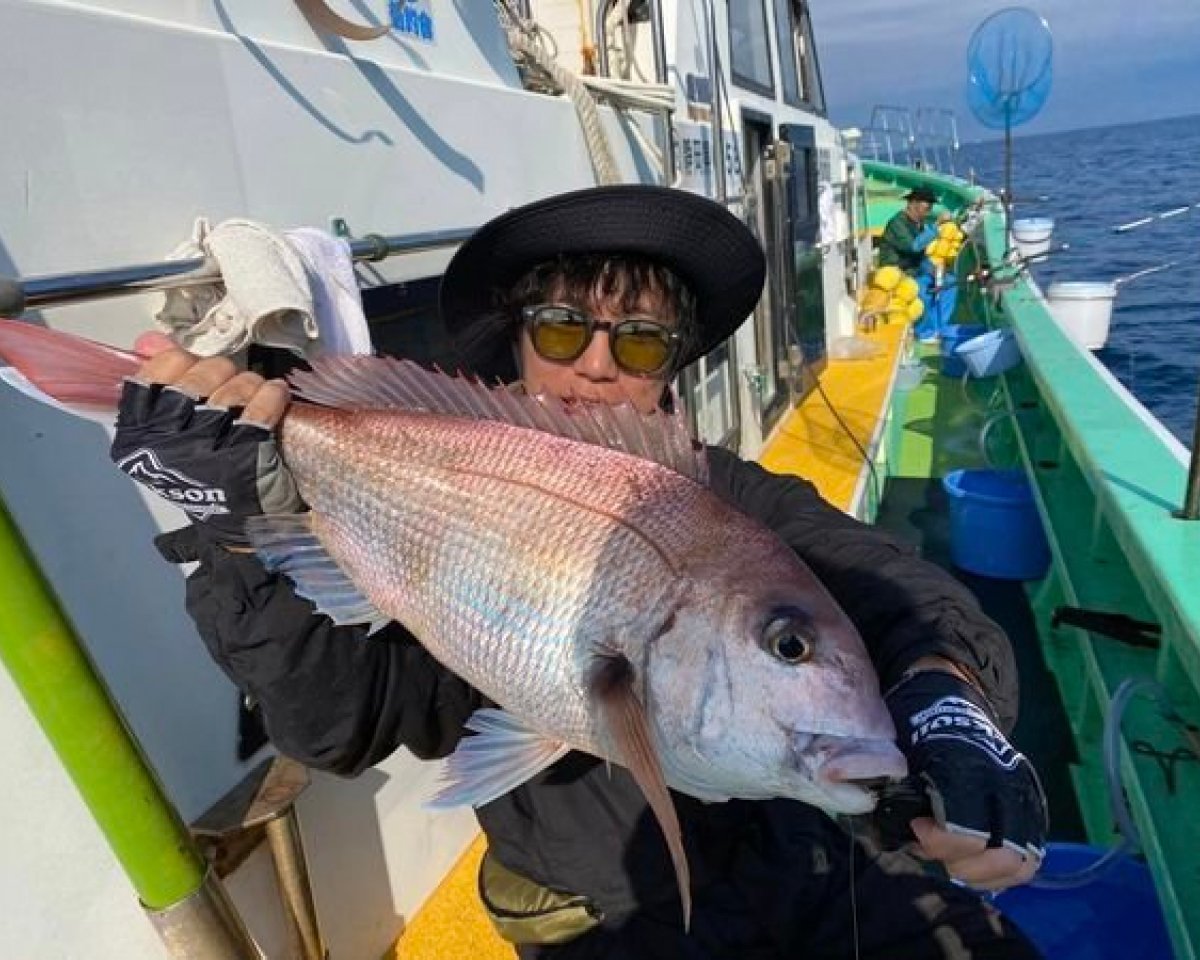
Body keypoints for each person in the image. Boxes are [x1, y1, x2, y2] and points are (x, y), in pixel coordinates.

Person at [110, 185, 1046, 959]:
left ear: (672, 366)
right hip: (608, 923)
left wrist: (943, 692)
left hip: (805, 866)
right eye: (563, 330)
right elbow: (334, 722)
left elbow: (884, 581)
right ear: (518, 340)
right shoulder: (427, 481)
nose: (597, 367)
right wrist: (233, 525)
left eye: (638, 341)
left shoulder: (730, 503)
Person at [878, 185, 959, 342]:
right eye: (926, 205)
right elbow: (914, 247)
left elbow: (920, 257)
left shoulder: (919, 223)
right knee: (920, 292)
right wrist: (935, 226)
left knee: (950, 283)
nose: (929, 209)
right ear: (913, 203)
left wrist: (934, 270)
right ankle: (924, 333)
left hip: (916, 270)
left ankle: (940, 327)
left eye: (930, 206)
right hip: (899, 273)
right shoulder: (897, 223)